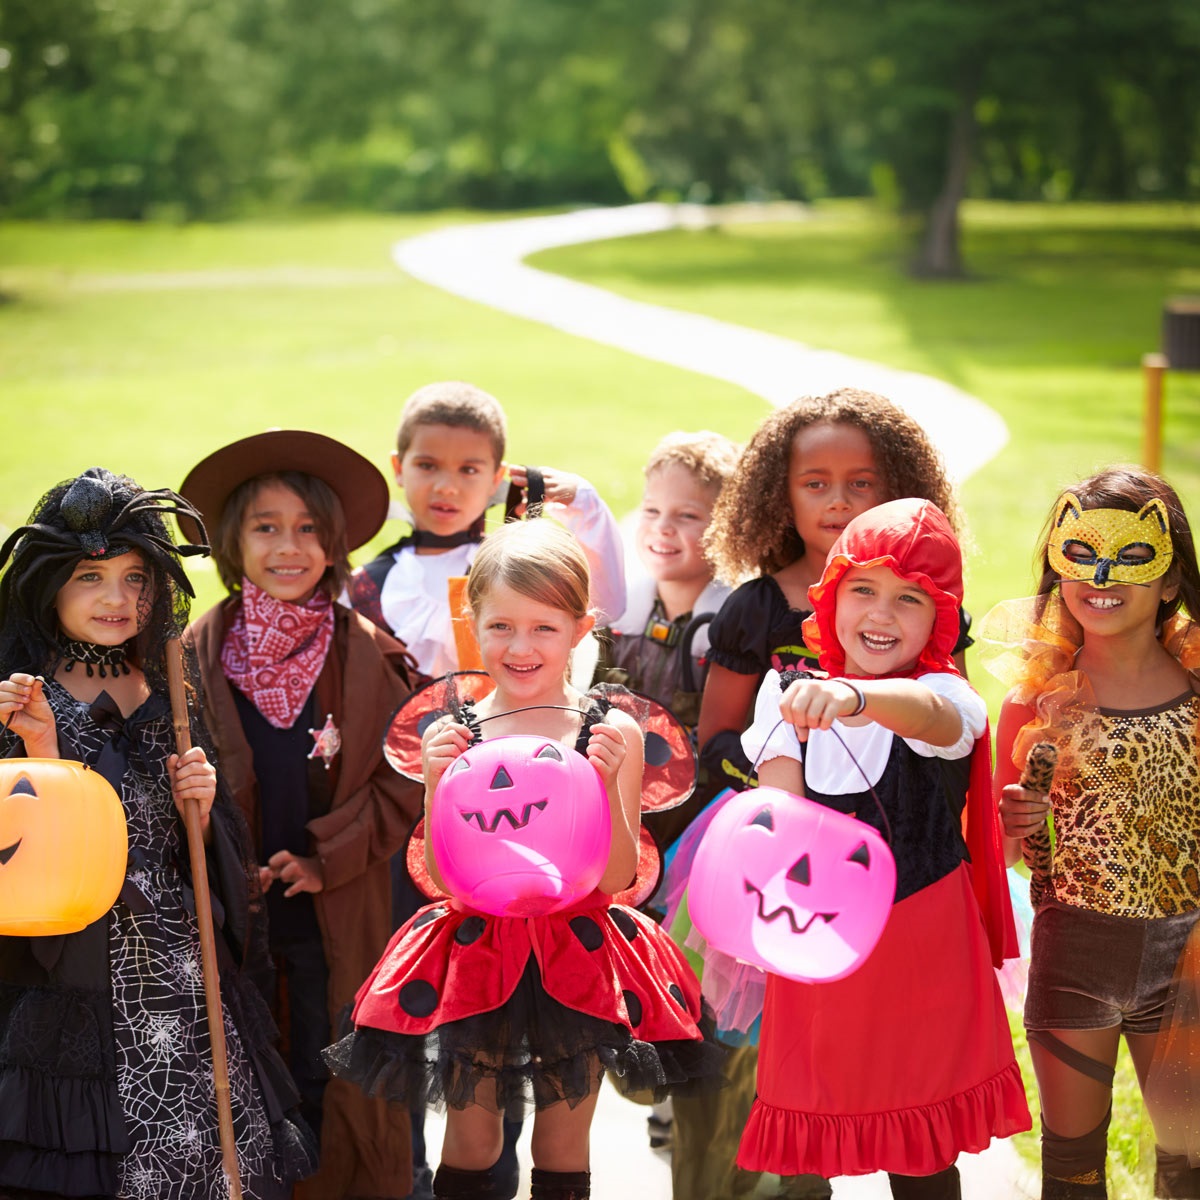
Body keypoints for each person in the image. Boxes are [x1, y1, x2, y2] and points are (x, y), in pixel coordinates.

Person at [327, 520, 721, 1200]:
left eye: (544, 627)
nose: (521, 645)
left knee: (561, 1142)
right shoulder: (461, 732)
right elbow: (447, 880)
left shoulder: (609, 728)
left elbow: (618, 878)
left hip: (578, 956)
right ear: (471, 620)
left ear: (581, 627)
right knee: (472, 1138)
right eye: (502, 625)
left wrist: (602, 787)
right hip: (482, 956)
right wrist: (433, 786)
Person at [0, 467, 316, 1199]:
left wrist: (199, 810)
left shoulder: (168, 684)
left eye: (136, 579)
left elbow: (198, 847)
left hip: (176, 959)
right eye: (91, 577)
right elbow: (25, 845)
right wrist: (40, 751)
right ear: (50, 586)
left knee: (202, 1149)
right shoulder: (24, 693)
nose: (118, 600)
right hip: (72, 962)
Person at [736, 497, 1029, 1198]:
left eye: (909, 600)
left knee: (922, 1151)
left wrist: (857, 700)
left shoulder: (945, 695)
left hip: (921, 945)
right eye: (861, 590)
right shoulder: (787, 693)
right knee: (805, 1139)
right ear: (830, 598)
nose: (880, 614)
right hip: (822, 943)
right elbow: (780, 817)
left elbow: (929, 717)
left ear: (940, 621)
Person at [181, 431, 421, 1200]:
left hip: (337, 909)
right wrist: (225, 857)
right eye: (266, 526)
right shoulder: (193, 655)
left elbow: (404, 782)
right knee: (250, 1081)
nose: (290, 547)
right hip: (233, 916)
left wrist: (327, 857)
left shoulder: (367, 655)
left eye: (309, 528)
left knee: (338, 1073)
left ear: (335, 542)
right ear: (232, 541)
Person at [983, 466, 1200, 1200]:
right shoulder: (1035, 703)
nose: (1102, 575)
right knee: (1071, 1169)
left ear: (1171, 580)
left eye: (1133, 557)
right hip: (1074, 953)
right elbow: (1002, 855)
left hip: (1188, 963)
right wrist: (1013, 826)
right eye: (1081, 553)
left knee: (1189, 1167)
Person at [697, 386, 968, 798]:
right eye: (815, 484)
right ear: (779, 496)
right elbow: (717, 742)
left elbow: (957, 735)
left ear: (897, 489)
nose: (839, 502)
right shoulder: (755, 609)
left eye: (861, 483)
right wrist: (803, 782)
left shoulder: (932, 606)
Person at [348, 380, 626, 679]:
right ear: (399, 468)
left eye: (468, 470)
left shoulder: (518, 565)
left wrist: (584, 503)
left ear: (497, 477)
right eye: (427, 465)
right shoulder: (364, 585)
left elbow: (607, 606)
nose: (446, 488)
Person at [594, 428, 740, 848]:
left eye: (687, 516)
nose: (662, 528)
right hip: (615, 800)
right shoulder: (621, 613)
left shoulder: (733, 626)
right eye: (652, 510)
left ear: (727, 527)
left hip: (697, 815)